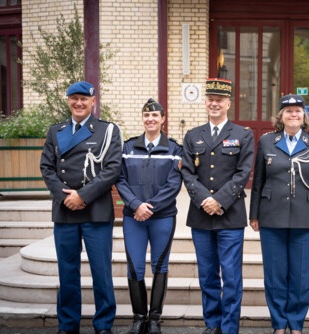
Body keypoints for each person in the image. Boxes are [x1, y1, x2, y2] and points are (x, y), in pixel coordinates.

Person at [40, 81, 122, 334]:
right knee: (67, 272)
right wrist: (65, 197)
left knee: (101, 272)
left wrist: (82, 196)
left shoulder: (107, 130)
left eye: (83, 99)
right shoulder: (56, 131)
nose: (78, 103)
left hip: (95, 210)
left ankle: (104, 324)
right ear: (68, 101)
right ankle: (67, 324)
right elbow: (47, 167)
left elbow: (113, 168)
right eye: (73, 98)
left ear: (92, 101)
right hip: (65, 210)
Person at [249, 94, 309, 334]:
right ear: (281, 116)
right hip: (271, 216)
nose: (293, 115)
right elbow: (258, 181)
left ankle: (295, 323)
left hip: (306, 216)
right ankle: (278, 323)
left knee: (300, 274)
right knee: (275, 274)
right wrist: (254, 214)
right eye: (289, 111)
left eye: (298, 111)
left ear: (304, 116)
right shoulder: (267, 142)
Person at [181, 78, 255, 334]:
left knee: (231, 276)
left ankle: (229, 326)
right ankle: (212, 324)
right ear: (205, 102)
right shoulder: (193, 135)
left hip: (230, 215)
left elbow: (243, 173)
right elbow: (188, 173)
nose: (214, 103)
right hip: (201, 216)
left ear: (228, 104)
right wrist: (205, 200)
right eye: (211, 99)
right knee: (207, 274)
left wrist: (219, 201)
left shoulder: (243, 134)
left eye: (219, 100)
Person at [115, 98, 183, 334]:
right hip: (133, 217)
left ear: (163, 119)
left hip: (162, 217)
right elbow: (120, 179)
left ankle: (154, 319)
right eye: (146, 116)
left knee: (160, 265)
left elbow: (174, 183)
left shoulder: (175, 149)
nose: (150, 119)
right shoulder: (128, 148)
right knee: (134, 267)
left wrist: (149, 207)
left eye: (155, 115)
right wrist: (135, 205)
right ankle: (138, 317)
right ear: (142, 119)